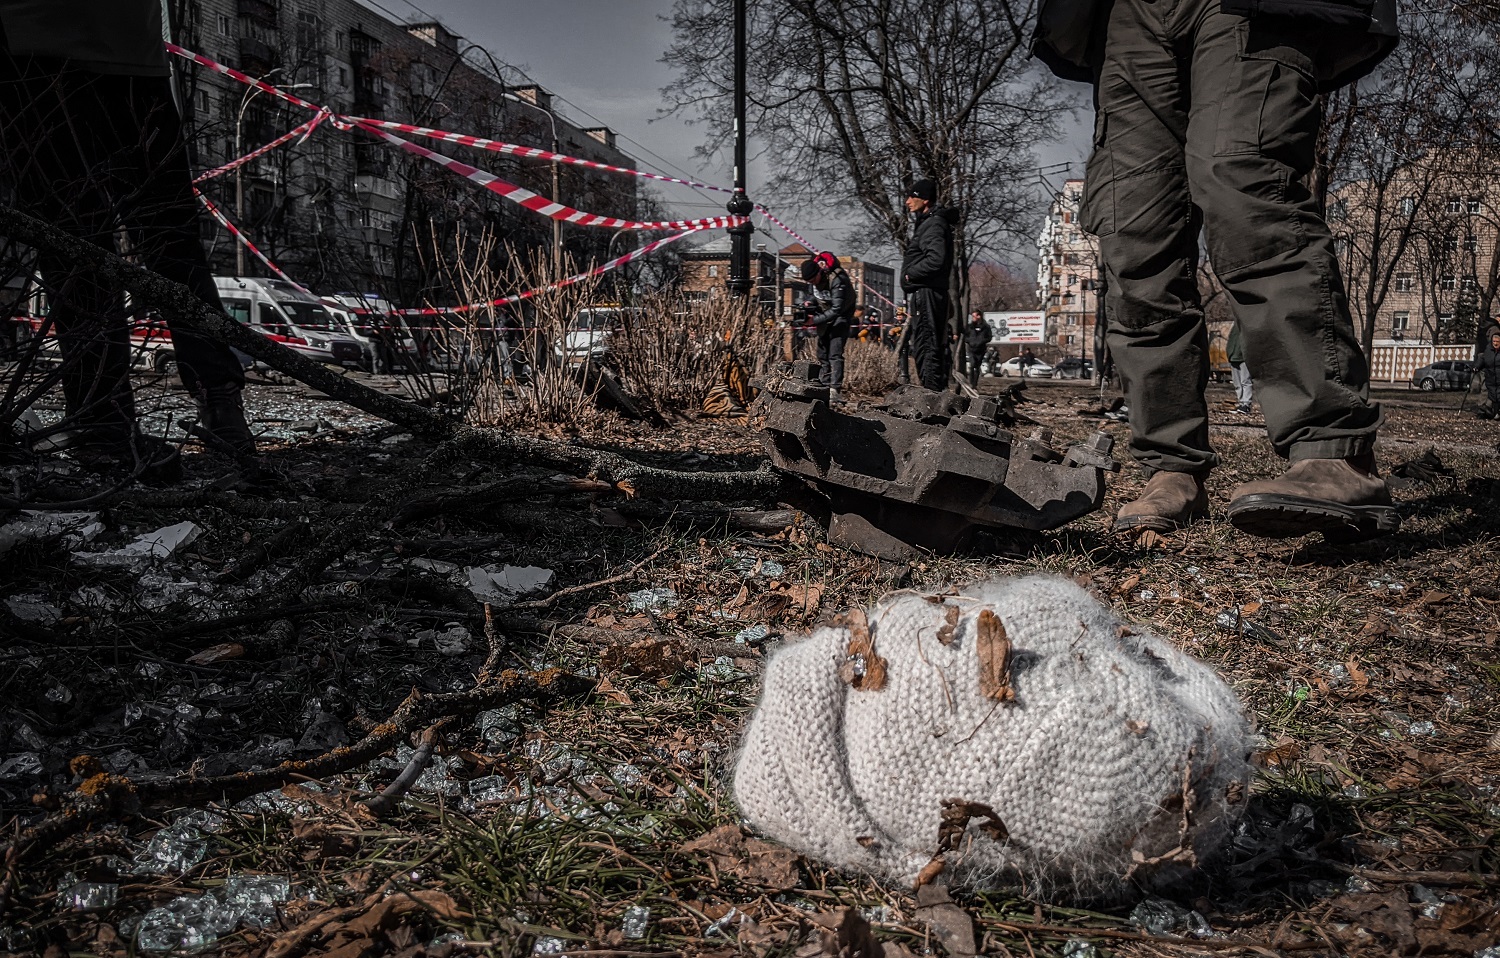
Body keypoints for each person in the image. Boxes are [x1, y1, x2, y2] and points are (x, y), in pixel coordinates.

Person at [1032, 0, 1400, 541]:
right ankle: (1171, 467)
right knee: (1134, 235)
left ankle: (1333, 450)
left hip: (1248, 5)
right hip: (1125, 13)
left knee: (1244, 190)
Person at [0, 0, 256, 478]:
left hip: (38, 52)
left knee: (79, 250)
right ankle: (218, 411)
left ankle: (106, 432)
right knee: (167, 242)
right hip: (121, 54)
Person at [899, 179, 958, 391]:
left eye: (911, 197)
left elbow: (936, 259)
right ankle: (934, 392)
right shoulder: (931, 223)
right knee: (929, 343)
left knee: (927, 344)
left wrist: (909, 276)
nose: (907, 202)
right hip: (928, 293)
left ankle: (932, 397)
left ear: (925, 199)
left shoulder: (933, 225)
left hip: (928, 294)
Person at [800, 252, 854, 401]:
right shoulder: (814, 282)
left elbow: (837, 309)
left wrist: (814, 320)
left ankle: (834, 390)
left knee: (834, 354)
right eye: (808, 282)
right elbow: (817, 296)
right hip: (825, 315)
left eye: (813, 280)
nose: (812, 283)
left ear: (819, 272)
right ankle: (823, 385)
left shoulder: (837, 280)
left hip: (841, 316)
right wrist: (809, 302)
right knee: (822, 354)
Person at [1227, 323, 1253, 414]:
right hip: (1233, 358)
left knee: (1245, 381)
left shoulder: (1246, 326)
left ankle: (1246, 404)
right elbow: (1230, 341)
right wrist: (1229, 354)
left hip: (1243, 358)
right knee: (1237, 383)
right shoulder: (1235, 328)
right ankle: (1241, 403)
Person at [962, 310, 993, 387]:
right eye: (972, 316)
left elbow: (989, 337)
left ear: (979, 316)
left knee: (977, 367)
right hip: (971, 349)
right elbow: (965, 336)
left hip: (981, 350)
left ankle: (975, 384)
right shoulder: (969, 327)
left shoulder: (986, 327)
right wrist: (969, 341)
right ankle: (971, 383)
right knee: (972, 365)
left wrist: (981, 341)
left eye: (974, 316)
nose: (973, 318)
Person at [1477, 332, 1500, 420]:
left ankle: (1496, 413)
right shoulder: (1488, 350)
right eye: (1494, 341)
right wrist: (1477, 366)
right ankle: (1489, 412)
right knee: (1492, 396)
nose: (1495, 343)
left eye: (1497, 341)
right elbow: (1482, 359)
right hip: (1491, 379)